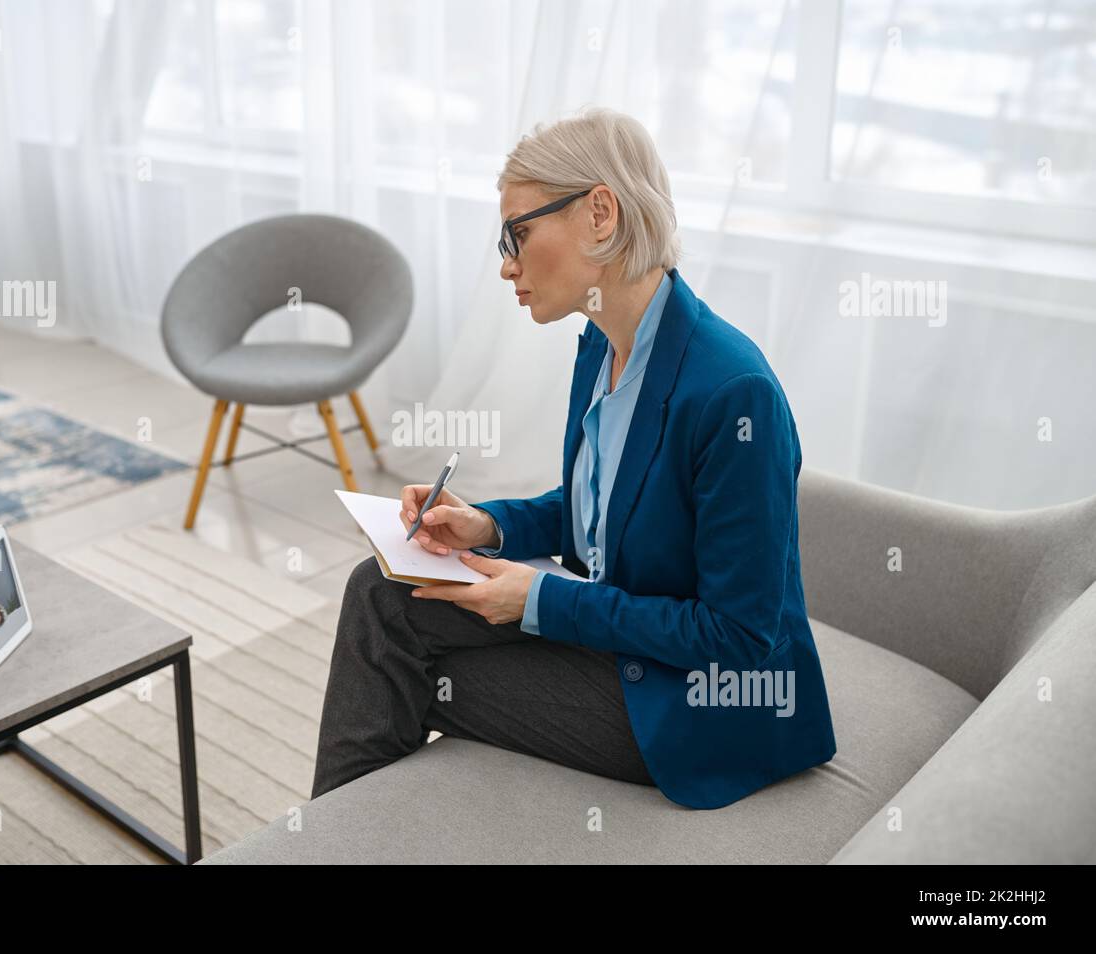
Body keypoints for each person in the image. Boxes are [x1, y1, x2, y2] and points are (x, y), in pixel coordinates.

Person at [312, 107, 836, 810]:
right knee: (379, 593)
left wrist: (543, 601)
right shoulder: (602, 346)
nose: (506, 264)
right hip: (626, 646)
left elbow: (739, 638)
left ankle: (339, 840)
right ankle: (345, 838)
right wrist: (487, 526)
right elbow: (601, 512)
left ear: (600, 214)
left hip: (704, 703)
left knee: (399, 673)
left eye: (519, 233)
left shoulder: (733, 394)